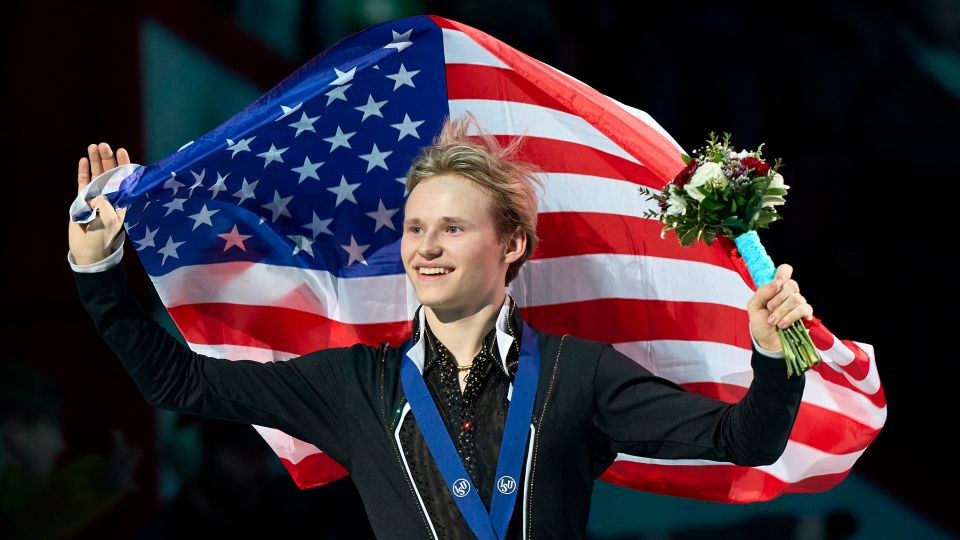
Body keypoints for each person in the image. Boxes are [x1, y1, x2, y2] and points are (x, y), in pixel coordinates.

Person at [67, 115, 811, 539]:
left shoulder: (579, 374)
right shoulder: (353, 385)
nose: (424, 247)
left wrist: (775, 358)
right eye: (416, 227)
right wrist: (99, 274)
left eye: (452, 228)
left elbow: (743, 440)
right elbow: (178, 380)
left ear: (512, 244)